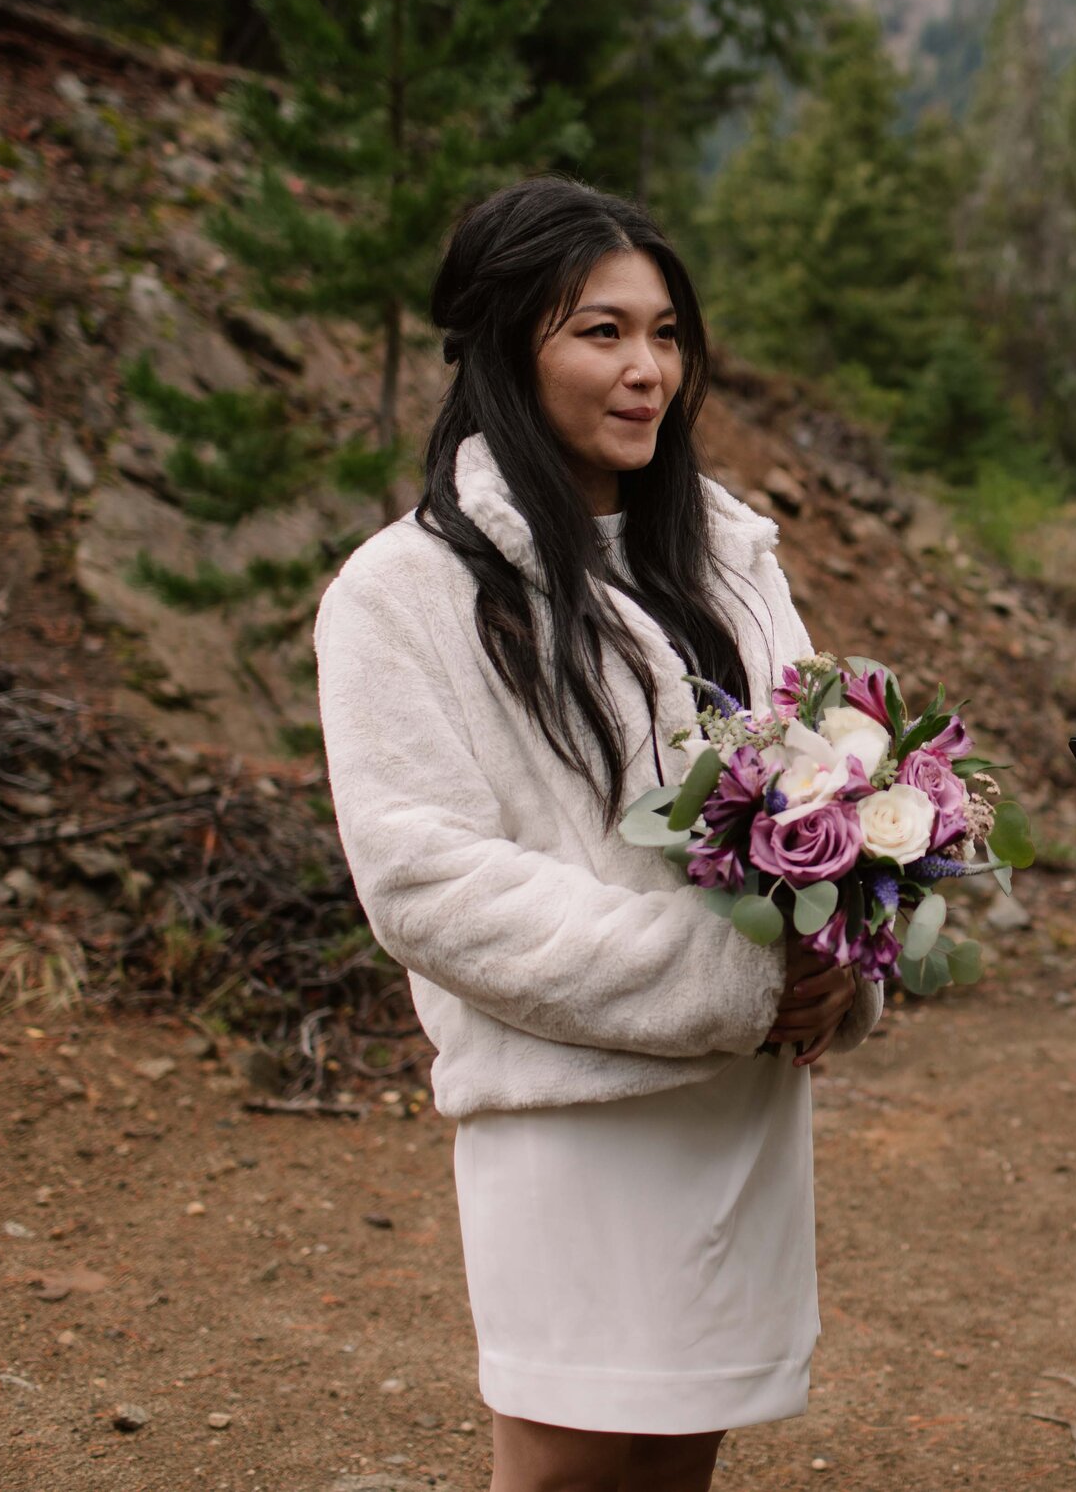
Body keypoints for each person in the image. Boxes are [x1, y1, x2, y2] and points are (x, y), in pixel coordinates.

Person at [313, 177, 881, 1492]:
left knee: (677, 1462)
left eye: (668, 333)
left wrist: (839, 946)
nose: (649, 371)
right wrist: (727, 976)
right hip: (572, 1110)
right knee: (566, 1465)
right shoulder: (404, 592)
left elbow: (815, 785)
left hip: (737, 1108)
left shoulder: (727, 556)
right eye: (603, 332)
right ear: (511, 340)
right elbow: (424, 879)